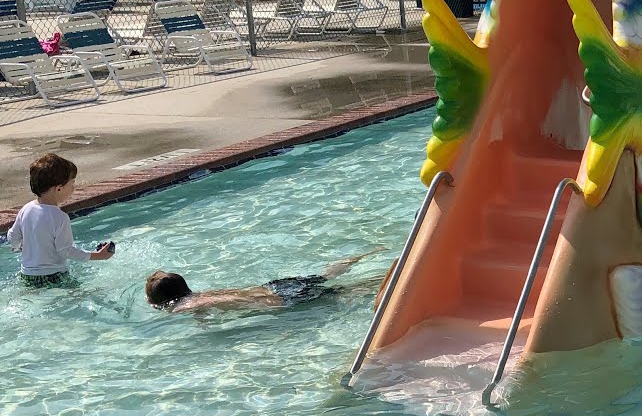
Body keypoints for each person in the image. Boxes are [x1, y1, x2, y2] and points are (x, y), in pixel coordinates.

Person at [145, 252, 379, 315]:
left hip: (280, 299)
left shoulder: (181, 307)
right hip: (273, 286)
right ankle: (362, 255)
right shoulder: (200, 295)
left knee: (344, 291)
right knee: (325, 276)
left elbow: (192, 307)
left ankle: (380, 282)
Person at [5, 152, 115, 286]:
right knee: (84, 295)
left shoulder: (26, 209)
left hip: (27, 275)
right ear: (58, 189)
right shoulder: (60, 217)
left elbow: (12, 237)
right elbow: (66, 250)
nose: (74, 187)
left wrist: (20, 247)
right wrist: (98, 256)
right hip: (53, 276)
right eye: (72, 183)